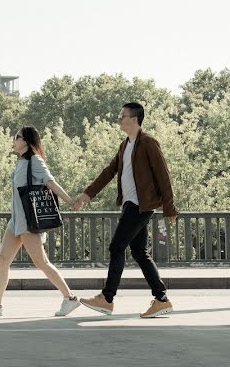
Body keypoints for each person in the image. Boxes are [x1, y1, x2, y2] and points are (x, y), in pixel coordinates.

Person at [72, 102, 178, 318]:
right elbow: (108, 172)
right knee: (139, 252)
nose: (119, 119)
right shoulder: (125, 145)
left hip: (142, 204)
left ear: (134, 119)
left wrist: (169, 207)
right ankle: (161, 299)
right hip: (131, 203)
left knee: (116, 247)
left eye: (123, 115)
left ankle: (107, 298)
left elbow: (163, 175)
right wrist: (87, 194)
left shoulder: (148, 143)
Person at [0, 126, 80, 317]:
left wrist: (70, 201)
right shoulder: (21, 162)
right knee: (3, 259)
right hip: (16, 221)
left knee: (42, 262)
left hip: (30, 222)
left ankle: (70, 298)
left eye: (17, 137)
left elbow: (51, 182)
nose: (14, 139)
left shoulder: (35, 161)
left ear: (27, 141)